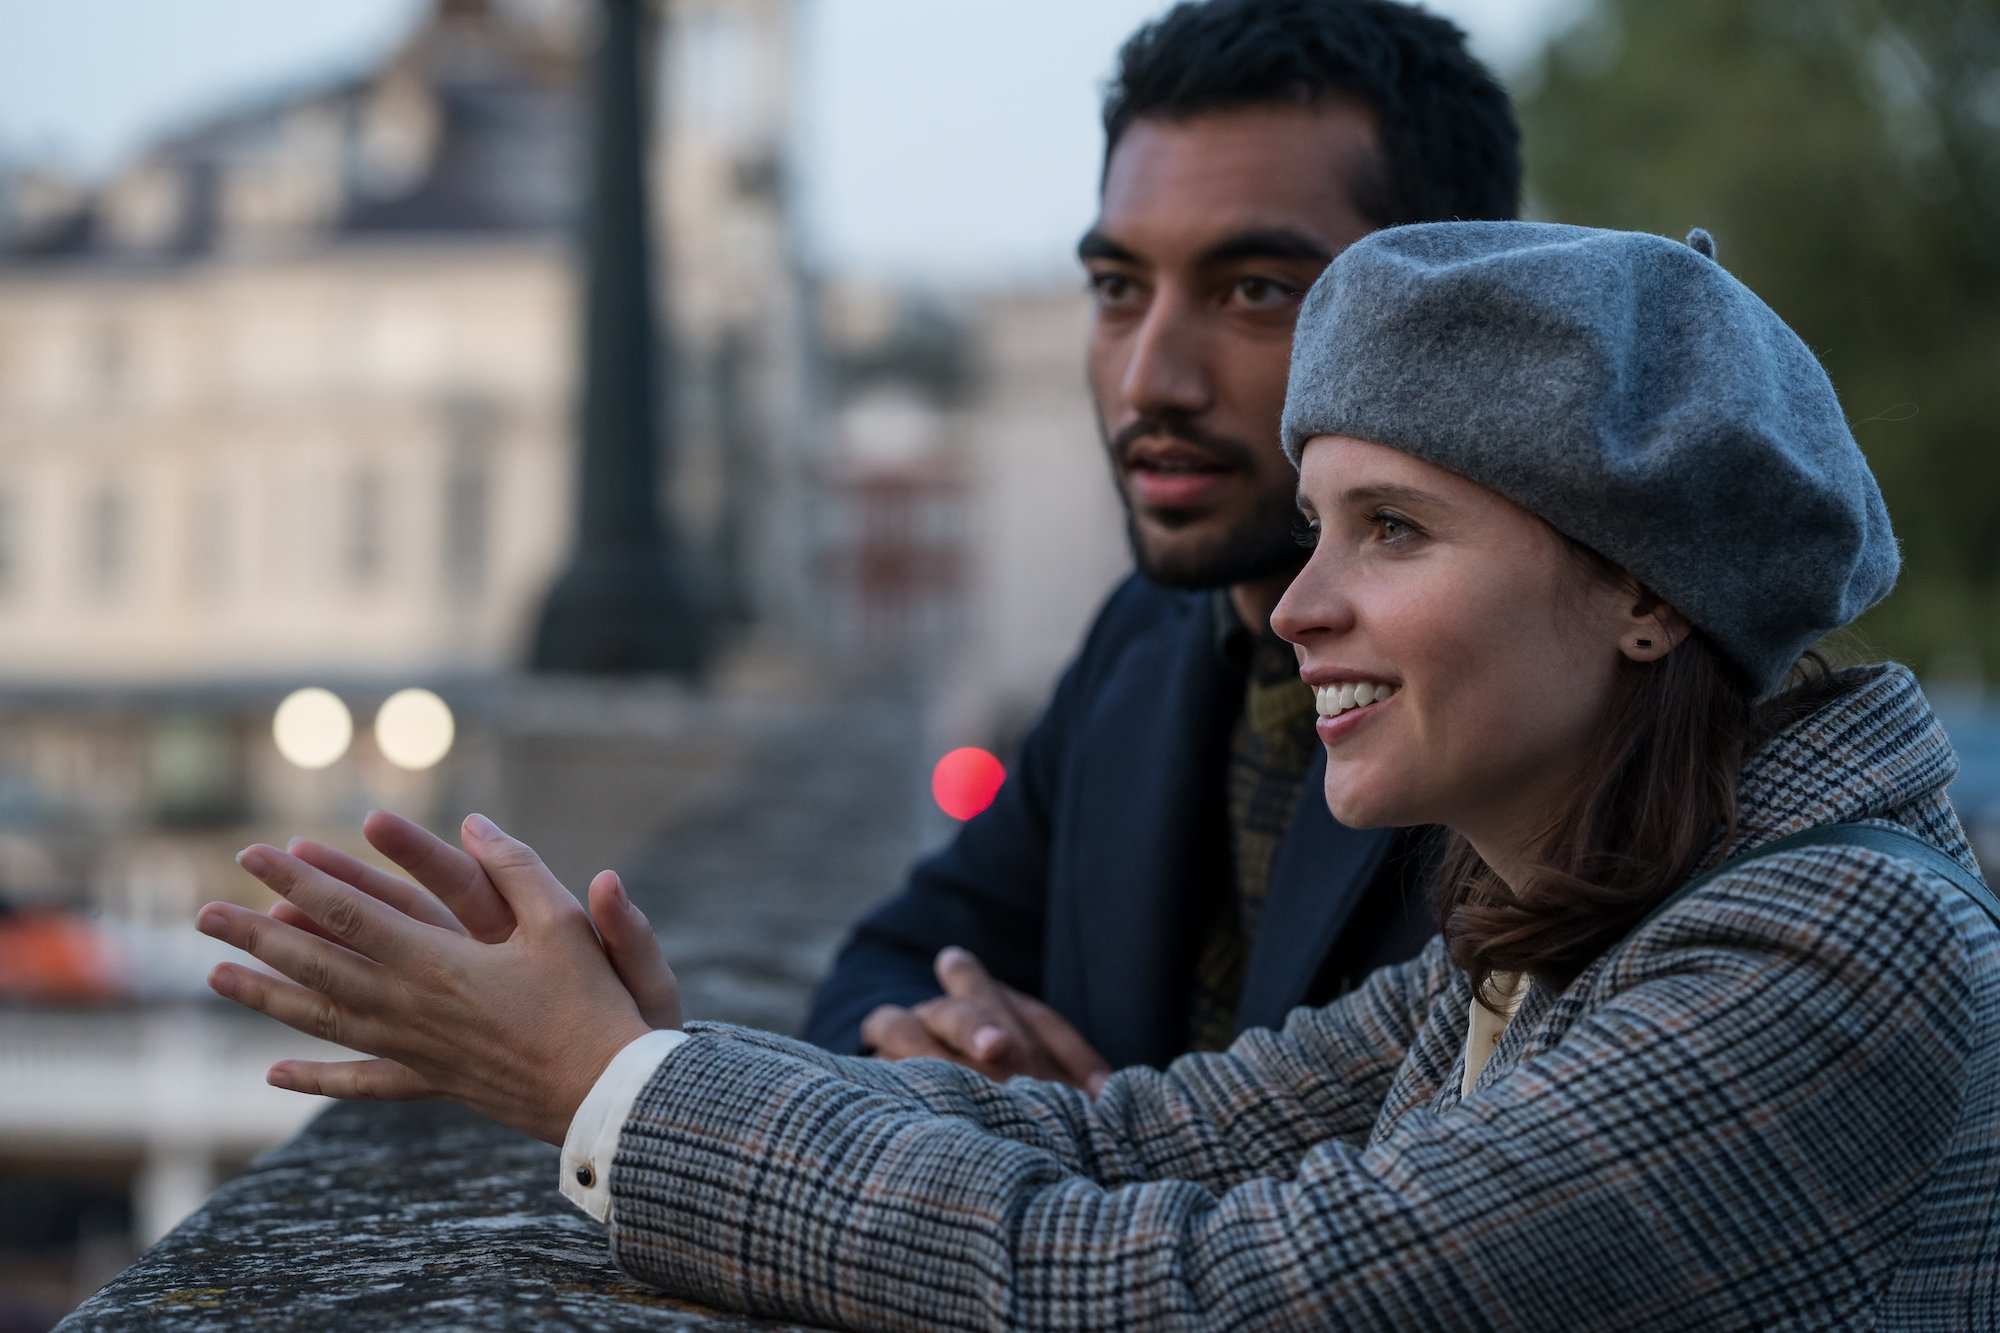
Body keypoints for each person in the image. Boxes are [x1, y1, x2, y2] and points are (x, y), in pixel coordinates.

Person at [200, 220, 2000, 1328]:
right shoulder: (1573, 916)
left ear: (1638, 593)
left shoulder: (1831, 949)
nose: (1298, 606)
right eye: (1316, 526)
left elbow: (1205, 1291)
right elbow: (1118, 1138)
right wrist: (637, 1067)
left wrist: (616, 1085)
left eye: (1394, 528)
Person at [804, 0, 1522, 1083]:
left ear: (1450, 312)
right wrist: (938, 1041)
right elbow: (892, 957)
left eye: (1252, 290)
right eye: (1116, 289)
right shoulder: (1144, 642)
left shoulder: (1536, 695)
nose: (1149, 378)